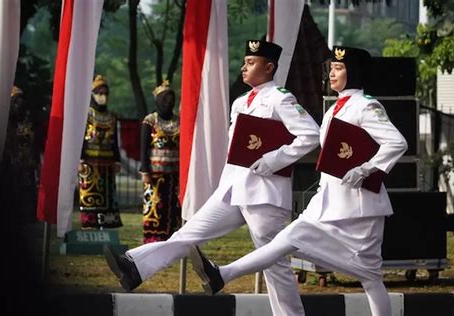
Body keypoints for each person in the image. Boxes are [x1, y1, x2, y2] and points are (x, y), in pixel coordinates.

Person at [103, 40, 320, 316]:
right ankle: (135, 267)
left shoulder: (280, 98)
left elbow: (311, 134)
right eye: (244, 61)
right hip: (233, 187)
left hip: (265, 191)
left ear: (269, 66)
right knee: (189, 233)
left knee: (274, 264)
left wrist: (273, 159)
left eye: (251, 63)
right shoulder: (241, 102)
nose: (244, 67)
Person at [190, 46, 408, 316]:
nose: (331, 74)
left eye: (338, 69)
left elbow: (397, 142)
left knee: (370, 277)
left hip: (359, 209)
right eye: (331, 69)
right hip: (327, 203)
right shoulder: (334, 109)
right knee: (288, 240)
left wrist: (366, 169)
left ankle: (222, 274)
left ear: (355, 73)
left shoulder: (367, 105)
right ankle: (221, 274)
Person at [78, 75, 123, 229]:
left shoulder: (112, 116)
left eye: (105, 93)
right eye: (99, 92)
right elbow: (80, 138)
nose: (102, 96)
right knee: (90, 194)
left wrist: (117, 160)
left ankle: (107, 225)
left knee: (107, 195)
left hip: (108, 162)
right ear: (92, 94)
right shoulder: (86, 114)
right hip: (89, 162)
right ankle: (90, 224)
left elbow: (115, 141)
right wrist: (80, 159)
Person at [140, 80, 181, 243]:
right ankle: (154, 236)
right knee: (155, 204)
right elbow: (143, 148)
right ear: (158, 100)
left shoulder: (179, 121)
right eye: (165, 98)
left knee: (172, 205)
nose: (168, 102)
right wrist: (145, 171)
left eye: (171, 98)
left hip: (175, 173)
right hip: (155, 173)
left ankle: (172, 236)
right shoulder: (150, 120)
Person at [2, 86, 41, 226]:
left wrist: (37, 164)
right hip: (9, 168)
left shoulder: (29, 123)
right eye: (15, 101)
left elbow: (35, 145)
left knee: (27, 198)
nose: (19, 104)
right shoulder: (3, 124)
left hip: (27, 167)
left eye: (21, 100)